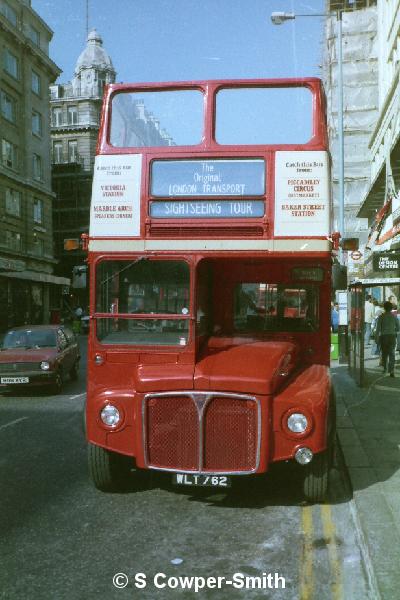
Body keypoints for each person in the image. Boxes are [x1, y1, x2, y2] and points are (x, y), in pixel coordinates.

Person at [375, 301, 400, 377]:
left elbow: (378, 329)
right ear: (391, 308)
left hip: (384, 336)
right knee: (392, 354)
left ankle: (385, 369)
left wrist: (376, 338)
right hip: (392, 336)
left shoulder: (381, 317)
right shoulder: (394, 317)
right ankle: (391, 370)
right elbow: (398, 327)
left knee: (384, 353)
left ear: (384, 308)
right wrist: (394, 330)